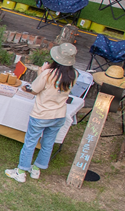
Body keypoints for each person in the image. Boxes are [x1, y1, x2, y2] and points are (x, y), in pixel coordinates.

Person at [6, 43, 78, 183]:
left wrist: (41, 73)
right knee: (48, 144)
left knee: (30, 142)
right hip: (59, 114)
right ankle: (36, 170)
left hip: (42, 114)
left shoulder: (48, 74)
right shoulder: (74, 74)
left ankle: (21, 172)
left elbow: (34, 89)